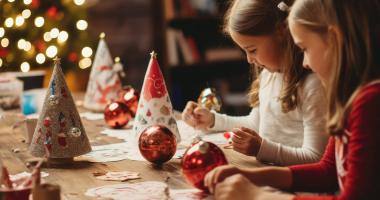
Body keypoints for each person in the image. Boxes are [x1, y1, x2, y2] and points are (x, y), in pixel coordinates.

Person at [204, 0, 380, 199]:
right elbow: (327, 171)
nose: (304, 62)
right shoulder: (350, 97)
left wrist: (258, 196)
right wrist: (251, 176)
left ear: (333, 39)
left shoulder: (371, 102)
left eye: (304, 49)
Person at [182, 0, 328, 166]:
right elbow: (256, 124)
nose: (249, 59)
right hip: (269, 171)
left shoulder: (312, 86)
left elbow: (316, 157)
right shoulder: (268, 76)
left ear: (281, 32)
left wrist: (261, 149)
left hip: (295, 180)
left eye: (252, 50)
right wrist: (212, 120)